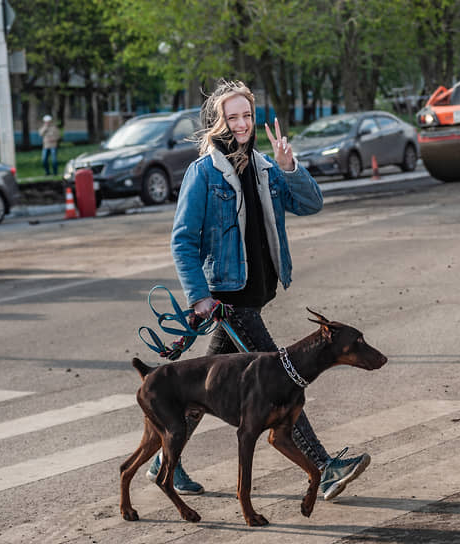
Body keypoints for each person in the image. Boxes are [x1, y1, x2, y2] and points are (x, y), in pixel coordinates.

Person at [147, 80, 371, 500]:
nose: (242, 124)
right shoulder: (204, 173)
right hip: (230, 301)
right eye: (232, 117)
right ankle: (323, 467)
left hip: (256, 294)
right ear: (219, 122)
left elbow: (311, 203)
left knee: (202, 388)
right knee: (284, 377)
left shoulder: (267, 168)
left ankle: (164, 459)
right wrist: (199, 296)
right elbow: (183, 239)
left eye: (246, 115)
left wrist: (290, 167)